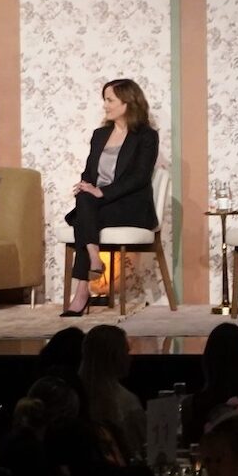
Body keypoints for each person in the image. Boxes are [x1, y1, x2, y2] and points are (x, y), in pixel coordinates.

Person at [63, 78, 159, 315]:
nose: (105, 105)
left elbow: (140, 178)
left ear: (127, 102)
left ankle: (82, 292)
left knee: (82, 218)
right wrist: (86, 185)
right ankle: (94, 261)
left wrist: (102, 191)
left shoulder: (146, 136)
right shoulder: (100, 135)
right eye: (104, 100)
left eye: (110, 100)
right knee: (84, 200)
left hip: (131, 205)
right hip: (98, 204)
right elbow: (89, 171)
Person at [79, 325, 146, 460]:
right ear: (115, 357)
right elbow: (142, 446)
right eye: (126, 352)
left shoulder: (73, 395)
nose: (130, 358)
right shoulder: (127, 403)